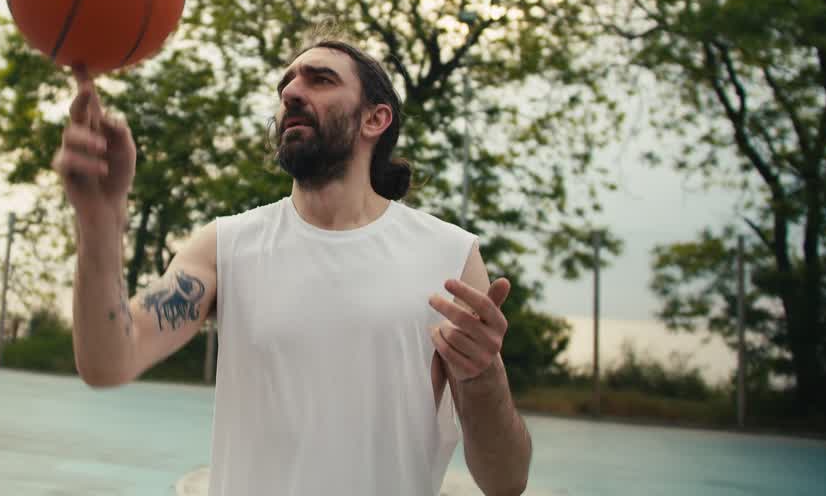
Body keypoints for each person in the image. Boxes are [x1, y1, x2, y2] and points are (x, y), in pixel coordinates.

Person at [53, 35, 532, 495]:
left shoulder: (448, 256)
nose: (292, 93)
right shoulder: (227, 245)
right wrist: (100, 216)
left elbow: (505, 482)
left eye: (320, 80)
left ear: (375, 119)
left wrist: (484, 374)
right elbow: (107, 362)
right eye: (286, 86)